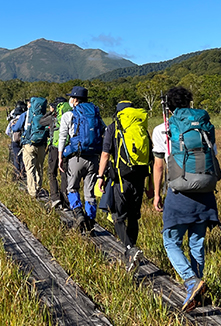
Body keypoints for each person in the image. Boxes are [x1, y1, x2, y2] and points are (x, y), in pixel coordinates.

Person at [152, 86, 219, 312]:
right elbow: (213, 154)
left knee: (170, 241)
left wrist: (156, 194)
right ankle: (196, 290)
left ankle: (191, 281)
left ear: (168, 107)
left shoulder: (163, 128)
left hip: (180, 192)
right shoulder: (204, 126)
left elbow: (159, 165)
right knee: (197, 243)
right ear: (190, 104)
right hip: (205, 192)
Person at [96, 101, 153, 271]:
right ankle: (131, 253)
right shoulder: (141, 127)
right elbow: (150, 155)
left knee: (117, 216)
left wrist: (100, 177)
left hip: (121, 178)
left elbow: (105, 154)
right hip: (139, 177)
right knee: (134, 216)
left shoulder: (114, 127)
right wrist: (150, 184)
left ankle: (130, 248)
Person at [58, 86, 105, 233]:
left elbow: (62, 137)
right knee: (89, 192)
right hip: (94, 159)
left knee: (72, 188)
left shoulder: (69, 115)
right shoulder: (96, 114)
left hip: (76, 157)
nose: (70, 100)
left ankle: (78, 213)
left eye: (72, 97)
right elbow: (103, 130)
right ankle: (90, 221)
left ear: (76, 100)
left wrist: (60, 156)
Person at [40, 97, 71, 210]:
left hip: (54, 147)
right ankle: (66, 202)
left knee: (52, 173)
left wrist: (51, 112)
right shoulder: (70, 114)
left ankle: (55, 197)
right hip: (67, 147)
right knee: (64, 174)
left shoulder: (53, 117)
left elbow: (41, 121)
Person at [15, 97, 48, 199]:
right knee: (39, 167)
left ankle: (32, 191)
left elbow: (16, 128)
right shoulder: (46, 116)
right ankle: (38, 187)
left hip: (29, 145)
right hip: (41, 145)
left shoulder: (27, 114)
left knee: (30, 169)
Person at [6, 100, 27, 180]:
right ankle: (23, 172)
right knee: (23, 156)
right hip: (22, 140)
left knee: (16, 156)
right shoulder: (24, 119)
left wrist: (11, 136)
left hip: (14, 141)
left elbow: (7, 132)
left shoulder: (12, 121)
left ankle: (17, 172)